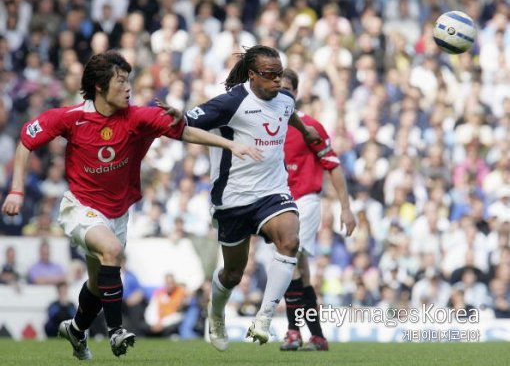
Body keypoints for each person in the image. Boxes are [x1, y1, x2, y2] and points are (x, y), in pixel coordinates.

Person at [1, 50, 261, 360]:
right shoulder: (71, 118)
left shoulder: (139, 117)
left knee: (99, 283)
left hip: (118, 214)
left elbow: (184, 131)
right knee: (112, 252)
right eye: (121, 81)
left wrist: (230, 143)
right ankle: (115, 331)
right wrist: (16, 190)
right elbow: (26, 142)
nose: (128, 87)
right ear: (99, 86)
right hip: (80, 207)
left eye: (129, 81)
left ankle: (76, 329)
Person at [159, 45, 321, 351]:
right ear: (252, 75)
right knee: (233, 273)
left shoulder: (284, 97)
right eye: (270, 75)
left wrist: (307, 130)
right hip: (232, 199)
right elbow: (185, 126)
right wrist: (184, 117)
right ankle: (216, 313)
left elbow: (290, 114)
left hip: (273, 192)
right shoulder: (231, 102)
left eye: (279, 74)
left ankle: (264, 318)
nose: (277, 81)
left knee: (290, 240)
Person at [279, 68, 356, 351]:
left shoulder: (310, 126)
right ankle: (318, 336)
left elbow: (333, 166)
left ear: (296, 94)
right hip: (277, 204)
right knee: (300, 269)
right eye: (278, 86)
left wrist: (346, 208)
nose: (282, 91)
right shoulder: (264, 128)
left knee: (287, 261)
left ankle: (292, 331)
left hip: (305, 201)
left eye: (288, 87)